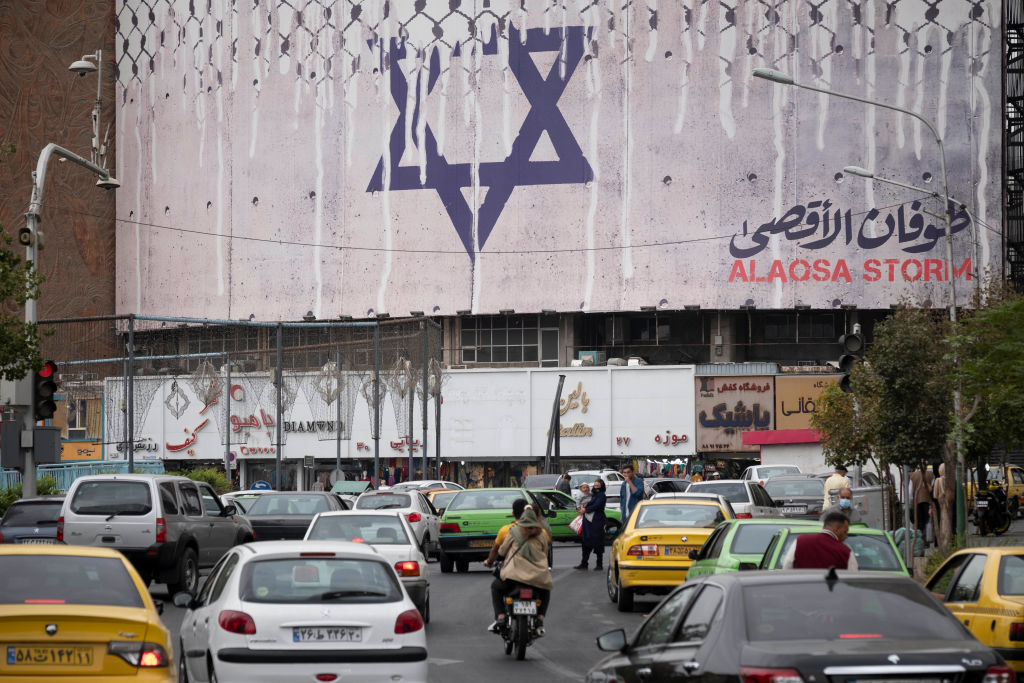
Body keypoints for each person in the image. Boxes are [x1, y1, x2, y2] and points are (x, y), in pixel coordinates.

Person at [484, 506, 553, 635]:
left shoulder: (512, 531)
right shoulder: (542, 534)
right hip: (537, 577)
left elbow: (502, 551)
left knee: (496, 587)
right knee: (545, 590)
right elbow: (545, 552)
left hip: (513, 577)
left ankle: (500, 616)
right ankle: (540, 618)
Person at [782, 513, 859, 570]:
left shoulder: (800, 541)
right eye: (845, 532)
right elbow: (854, 580)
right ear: (836, 529)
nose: (846, 536)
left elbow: (787, 567)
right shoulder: (845, 552)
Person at [575, 480, 607, 570]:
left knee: (597, 542)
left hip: (597, 521)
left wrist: (585, 509)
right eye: (595, 485)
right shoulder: (594, 495)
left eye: (598, 485)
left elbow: (597, 505)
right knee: (585, 541)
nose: (596, 487)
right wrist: (585, 506)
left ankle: (599, 564)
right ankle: (584, 563)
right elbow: (590, 503)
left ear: (601, 486)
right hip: (588, 521)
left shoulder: (601, 495)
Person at [910, 464, 935, 544]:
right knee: (927, 521)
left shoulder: (912, 476)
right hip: (928, 501)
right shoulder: (931, 474)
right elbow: (933, 488)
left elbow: (910, 493)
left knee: (919, 522)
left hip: (916, 501)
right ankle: (926, 541)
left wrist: (911, 504)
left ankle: (919, 541)